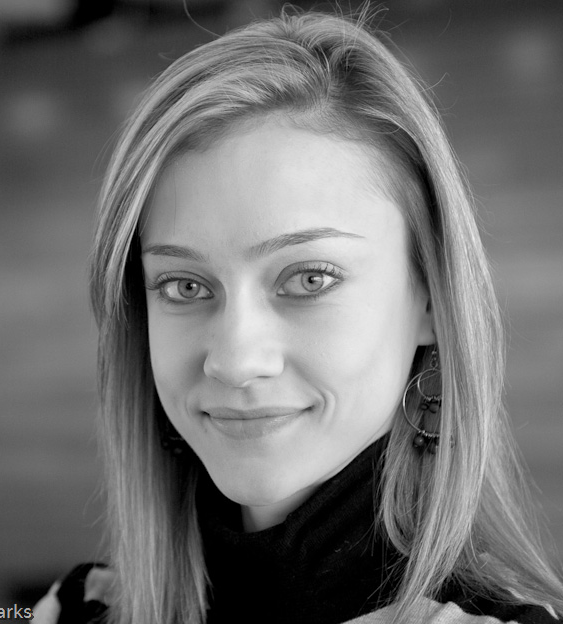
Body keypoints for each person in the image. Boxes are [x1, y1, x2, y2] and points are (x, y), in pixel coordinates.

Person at [32, 8, 563, 624]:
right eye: (183, 284)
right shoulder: (76, 611)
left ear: (432, 299)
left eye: (310, 279)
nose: (234, 360)